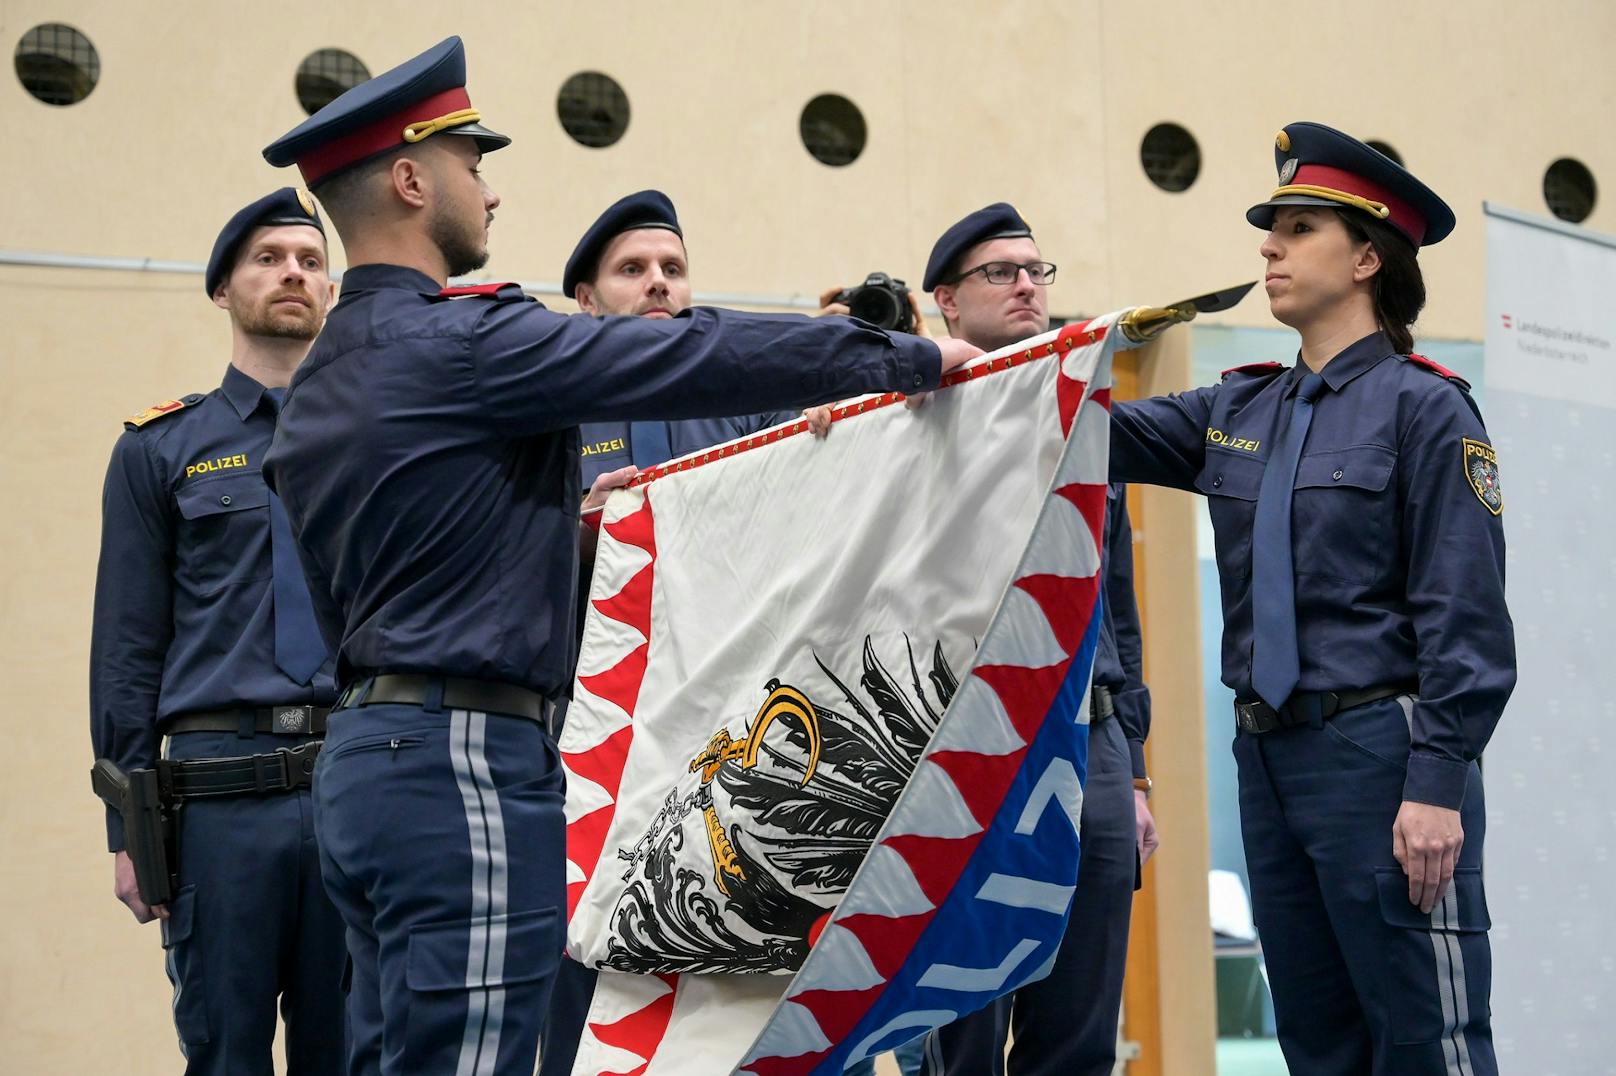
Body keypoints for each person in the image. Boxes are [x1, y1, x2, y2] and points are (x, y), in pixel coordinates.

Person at [256, 36, 979, 1076]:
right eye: (472, 165)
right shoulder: (464, 342)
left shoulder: (324, 373)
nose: (490, 194)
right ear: (411, 180)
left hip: (364, 757)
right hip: (465, 759)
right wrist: (893, 355)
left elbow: (335, 597)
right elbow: (679, 350)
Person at [1109, 122, 1513, 1075]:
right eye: (1271, 228)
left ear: (1368, 257)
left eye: (1297, 229)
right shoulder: (1235, 411)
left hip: (1383, 753)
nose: (1268, 247)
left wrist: (1436, 784)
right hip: (1271, 756)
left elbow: (1467, 617)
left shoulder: (1429, 408)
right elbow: (1083, 434)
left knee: (1427, 1040)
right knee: (1318, 1045)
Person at [859, 204, 1156, 1076]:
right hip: (963, 736)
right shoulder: (902, 422)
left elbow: (1120, 609)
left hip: (1091, 739)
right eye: (1002, 272)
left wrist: (1133, 770)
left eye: (1037, 269)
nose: (1028, 284)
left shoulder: (1084, 419)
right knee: (959, 1020)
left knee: (1081, 1020)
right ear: (946, 302)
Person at [89, 188, 346, 1073]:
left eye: (311, 262)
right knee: (224, 1052)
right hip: (216, 804)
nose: (293, 274)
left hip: (351, 784)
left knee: (352, 1054)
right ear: (222, 289)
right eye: (269, 258)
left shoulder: (370, 438)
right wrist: (128, 833)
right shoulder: (159, 450)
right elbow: (126, 650)